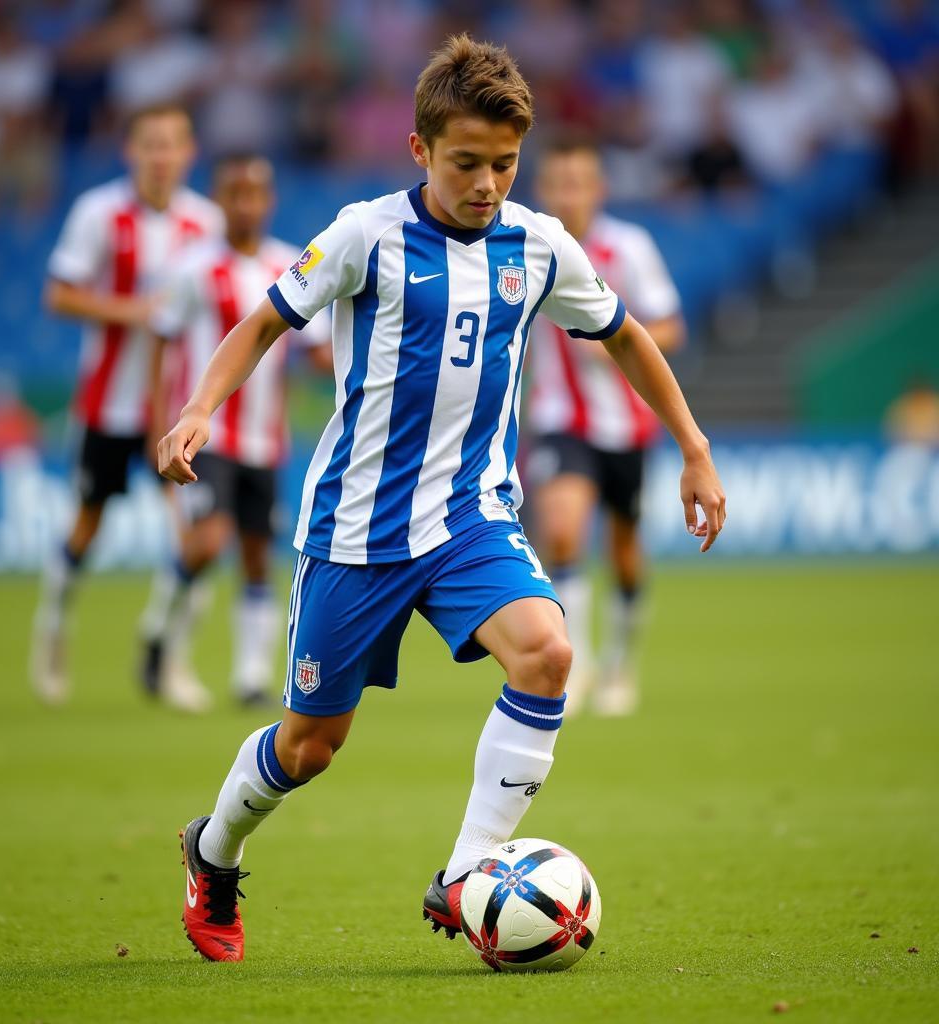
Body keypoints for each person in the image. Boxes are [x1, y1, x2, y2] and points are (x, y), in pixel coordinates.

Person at [158, 35, 725, 963]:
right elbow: (264, 319)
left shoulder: (538, 244)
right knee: (308, 748)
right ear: (421, 150)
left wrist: (694, 448)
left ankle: (465, 872)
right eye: (467, 162)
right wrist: (198, 409)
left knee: (545, 652)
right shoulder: (362, 235)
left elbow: (624, 336)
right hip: (355, 531)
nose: (488, 183)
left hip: (471, 519)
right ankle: (212, 850)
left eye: (505, 163)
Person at [30, 103, 222, 710]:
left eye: (171, 145)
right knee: (87, 525)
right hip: (108, 405)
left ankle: (169, 658)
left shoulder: (207, 223)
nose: (160, 156)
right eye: (150, 144)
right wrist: (135, 310)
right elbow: (58, 294)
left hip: (175, 409)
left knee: (194, 539)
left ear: (189, 154)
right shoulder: (98, 213)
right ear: (130, 152)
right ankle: (54, 628)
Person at [141, 154, 331, 707]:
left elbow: (315, 350)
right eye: (235, 194)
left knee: (255, 553)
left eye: (256, 194)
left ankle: (250, 677)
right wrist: (163, 422)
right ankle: (160, 633)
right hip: (210, 437)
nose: (246, 204)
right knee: (208, 541)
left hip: (265, 442)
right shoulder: (192, 268)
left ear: (269, 200)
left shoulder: (289, 264)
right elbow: (161, 343)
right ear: (219, 200)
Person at [527, 139, 686, 716]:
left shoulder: (629, 248)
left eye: (580, 182)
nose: (569, 194)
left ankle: (620, 662)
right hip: (560, 420)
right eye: (559, 182)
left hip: (628, 427)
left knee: (623, 549)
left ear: (600, 189)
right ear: (543, 190)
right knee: (564, 532)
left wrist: (618, 337)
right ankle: (578, 665)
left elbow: (670, 329)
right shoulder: (526, 244)